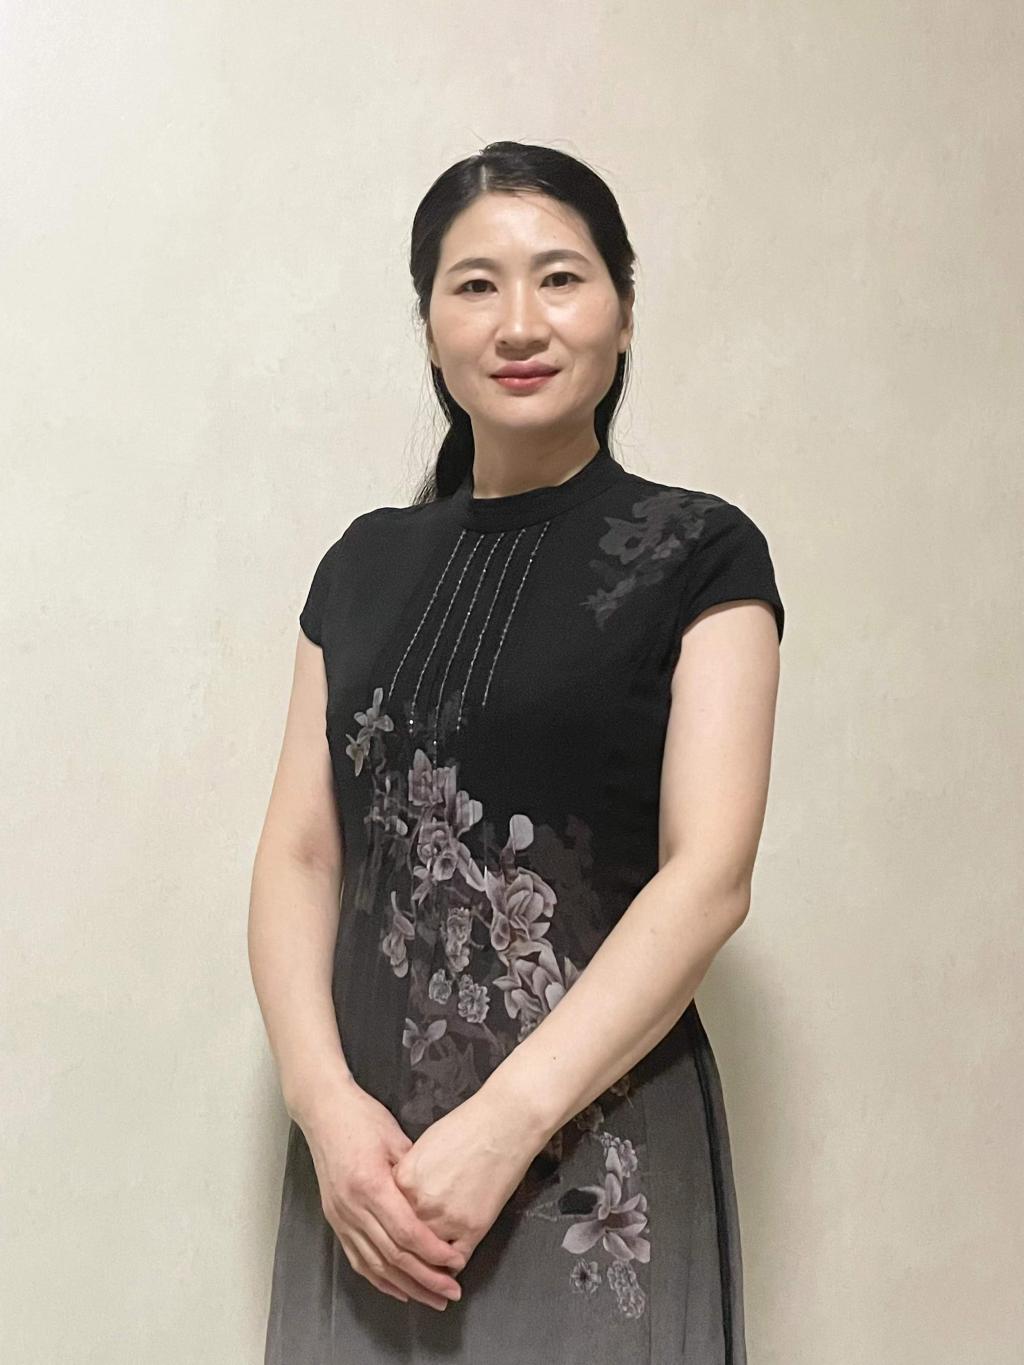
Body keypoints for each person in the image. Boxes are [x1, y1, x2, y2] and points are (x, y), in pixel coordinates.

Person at [250, 140, 785, 1364]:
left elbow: (709, 877)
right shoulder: (360, 565)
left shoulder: (700, 551)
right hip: (369, 1172)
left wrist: (503, 1127)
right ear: (430, 326)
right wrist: (324, 1111)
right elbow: (299, 855)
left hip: (588, 1147)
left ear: (623, 312)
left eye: (560, 278)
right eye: (475, 285)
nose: (520, 323)